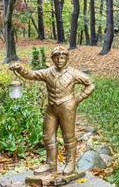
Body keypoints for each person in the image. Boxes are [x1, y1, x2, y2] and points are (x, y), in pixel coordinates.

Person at [9, 47, 95, 176]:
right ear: (52, 59)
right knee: (48, 135)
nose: (59, 60)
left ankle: (70, 163)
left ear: (67, 59)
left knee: (68, 136)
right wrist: (20, 68)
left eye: (62, 58)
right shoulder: (48, 72)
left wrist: (79, 98)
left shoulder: (73, 73)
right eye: (56, 58)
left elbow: (91, 83)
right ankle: (51, 164)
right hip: (51, 108)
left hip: (67, 107)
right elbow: (32, 74)